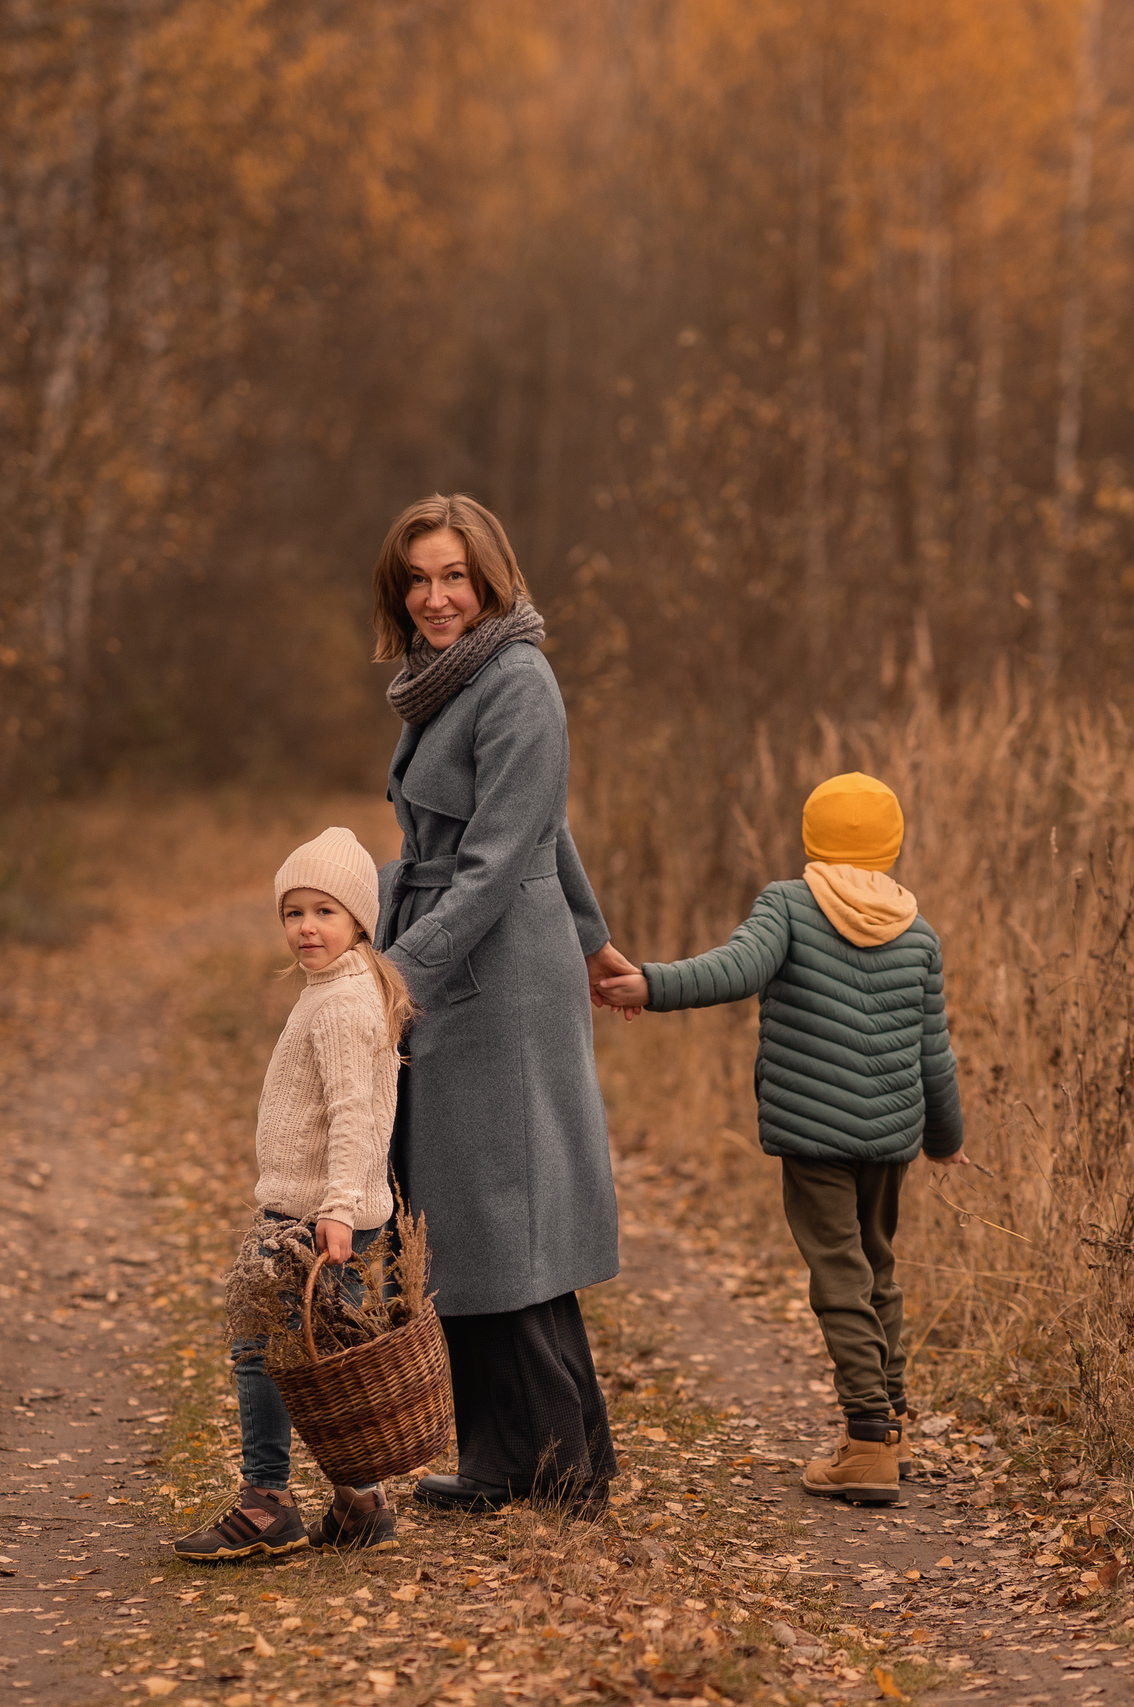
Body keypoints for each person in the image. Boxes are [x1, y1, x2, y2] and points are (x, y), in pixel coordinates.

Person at [368, 493, 639, 1515]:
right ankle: (498, 1460)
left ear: (490, 576)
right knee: (466, 1222)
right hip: (467, 955)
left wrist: (401, 973)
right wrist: (594, 933)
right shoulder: (447, 680)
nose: (436, 597)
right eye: (418, 577)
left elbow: (498, 855)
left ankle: (567, 1471)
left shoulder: (517, 678)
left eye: (454, 575)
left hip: (488, 968)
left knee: (507, 1216)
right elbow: (550, 830)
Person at [598, 772, 965, 1507]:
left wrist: (652, 984)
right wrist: (945, 1135)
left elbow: (736, 969)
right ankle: (890, 1421)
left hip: (815, 1132)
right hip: (891, 1136)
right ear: (891, 845)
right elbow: (936, 1052)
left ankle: (865, 1443)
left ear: (811, 838)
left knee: (839, 1274)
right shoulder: (917, 931)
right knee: (878, 1269)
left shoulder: (791, 905)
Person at [171, 827, 414, 1560]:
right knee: (318, 1358)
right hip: (306, 1211)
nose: (306, 926)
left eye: (324, 911)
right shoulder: (333, 990)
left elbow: (356, 1115)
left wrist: (337, 1208)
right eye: (293, 912)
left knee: (266, 1354)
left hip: (316, 1218)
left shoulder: (342, 1003)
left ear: (359, 922)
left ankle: (267, 1501)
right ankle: (359, 1500)